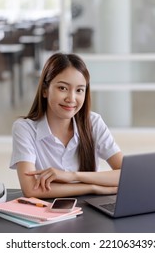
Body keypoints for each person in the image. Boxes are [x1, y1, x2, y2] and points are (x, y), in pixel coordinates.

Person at [10, 52, 123, 198]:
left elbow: (126, 174)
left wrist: (71, 176)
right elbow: (31, 189)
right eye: (62, 88)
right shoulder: (24, 129)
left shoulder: (93, 122)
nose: (71, 98)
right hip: (48, 214)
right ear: (45, 90)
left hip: (91, 212)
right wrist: (93, 187)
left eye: (79, 90)